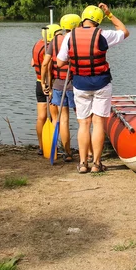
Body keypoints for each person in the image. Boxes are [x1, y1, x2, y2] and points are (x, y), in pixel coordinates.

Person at [56, 3, 129, 173]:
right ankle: (96, 164)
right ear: (98, 21)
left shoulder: (69, 36)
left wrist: (75, 60)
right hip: (101, 83)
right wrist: (110, 14)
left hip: (80, 85)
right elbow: (124, 31)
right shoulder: (103, 34)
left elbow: (60, 62)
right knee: (98, 123)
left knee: (83, 123)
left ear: (83, 19)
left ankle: (83, 164)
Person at [41, 14, 81, 162]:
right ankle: (88, 154)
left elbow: (45, 63)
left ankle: (68, 153)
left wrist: (43, 83)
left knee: (63, 120)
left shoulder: (55, 40)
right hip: (77, 84)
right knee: (82, 121)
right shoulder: (79, 39)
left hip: (59, 85)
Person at [31, 25, 56, 155]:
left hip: (38, 82)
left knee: (41, 117)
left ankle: (41, 146)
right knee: (54, 117)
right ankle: (51, 146)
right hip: (47, 85)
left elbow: (32, 63)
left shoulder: (37, 44)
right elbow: (47, 68)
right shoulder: (48, 49)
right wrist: (49, 86)